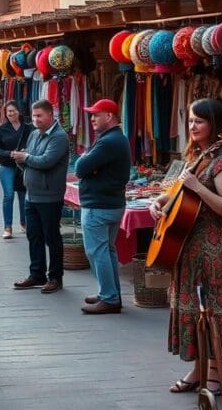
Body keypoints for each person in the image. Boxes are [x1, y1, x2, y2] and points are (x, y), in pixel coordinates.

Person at [149, 98, 222, 395]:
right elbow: (179, 195)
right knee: (195, 312)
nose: (192, 126)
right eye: (191, 120)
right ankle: (198, 371)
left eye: (199, 121)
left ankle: (217, 375)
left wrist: (198, 187)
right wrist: (159, 202)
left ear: (215, 125)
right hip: (189, 249)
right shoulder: (200, 155)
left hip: (212, 250)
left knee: (212, 312)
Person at [74, 99, 131, 314]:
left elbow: (80, 167)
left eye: (96, 115)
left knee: (97, 252)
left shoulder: (108, 141)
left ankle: (109, 297)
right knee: (107, 251)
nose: (92, 119)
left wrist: (87, 161)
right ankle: (109, 292)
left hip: (100, 206)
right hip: (110, 203)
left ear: (109, 116)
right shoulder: (114, 139)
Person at [11, 99, 70, 293]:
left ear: (50, 115)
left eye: (40, 116)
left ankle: (55, 277)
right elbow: (30, 161)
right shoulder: (34, 134)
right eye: (34, 116)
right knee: (33, 235)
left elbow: (46, 161)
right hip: (32, 195)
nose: (36, 120)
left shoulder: (59, 137)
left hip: (50, 196)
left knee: (51, 237)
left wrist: (25, 157)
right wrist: (22, 160)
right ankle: (37, 274)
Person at [0, 100, 32, 239]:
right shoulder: (1, 129)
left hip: (23, 166)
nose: (11, 113)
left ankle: (24, 223)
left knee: (23, 195)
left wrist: (26, 151)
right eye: (8, 111)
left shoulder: (28, 128)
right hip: (7, 165)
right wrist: (9, 153)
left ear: (19, 111)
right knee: (8, 195)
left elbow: (34, 144)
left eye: (14, 110)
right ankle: (7, 227)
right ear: (5, 113)